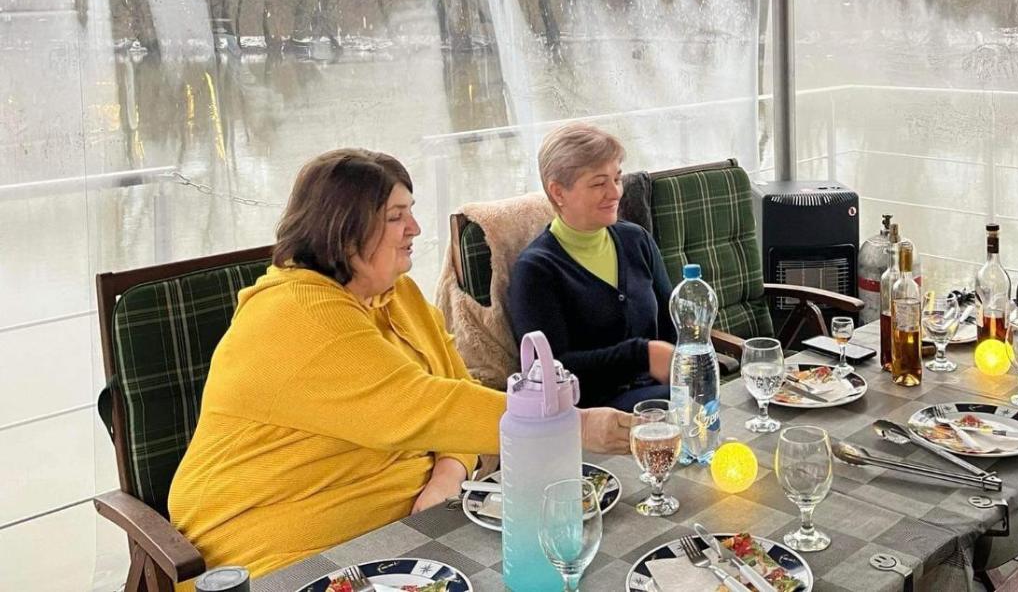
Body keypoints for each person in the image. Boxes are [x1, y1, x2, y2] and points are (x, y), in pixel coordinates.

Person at [168, 149, 633, 579]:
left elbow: (456, 393)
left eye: (410, 211)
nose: (415, 228)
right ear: (342, 230)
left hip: (416, 535)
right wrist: (571, 425)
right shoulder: (297, 314)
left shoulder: (398, 293)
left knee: (578, 558)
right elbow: (422, 407)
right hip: (279, 557)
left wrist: (449, 472)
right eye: (396, 216)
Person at [508, 122, 677, 409]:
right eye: (599, 183)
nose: (615, 193)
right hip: (592, 415)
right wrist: (641, 356)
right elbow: (549, 372)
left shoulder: (637, 241)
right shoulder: (536, 270)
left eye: (617, 178)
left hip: (660, 401)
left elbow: (673, 327)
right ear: (558, 192)